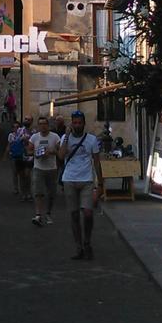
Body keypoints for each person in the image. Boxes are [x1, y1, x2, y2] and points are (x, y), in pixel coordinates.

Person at [58, 111, 103, 260]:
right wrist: (66, 137)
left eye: (79, 123)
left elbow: (96, 161)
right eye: (75, 123)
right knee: (74, 215)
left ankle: (87, 242)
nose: (77, 125)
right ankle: (78, 247)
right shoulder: (65, 138)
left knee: (88, 214)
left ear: (84, 123)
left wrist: (100, 183)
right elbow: (61, 155)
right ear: (72, 123)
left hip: (87, 180)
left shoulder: (91, 140)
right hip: (69, 179)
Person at [30, 116, 60, 226]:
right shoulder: (34, 137)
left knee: (51, 193)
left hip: (51, 168)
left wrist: (52, 151)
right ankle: (38, 215)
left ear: (48, 125)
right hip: (38, 167)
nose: (43, 126)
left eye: (44, 124)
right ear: (38, 126)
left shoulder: (55, 137)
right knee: (38, 192)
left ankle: (48, 213)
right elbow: (29, 150)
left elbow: (60, 151)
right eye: (40, 124)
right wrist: (37, 153)